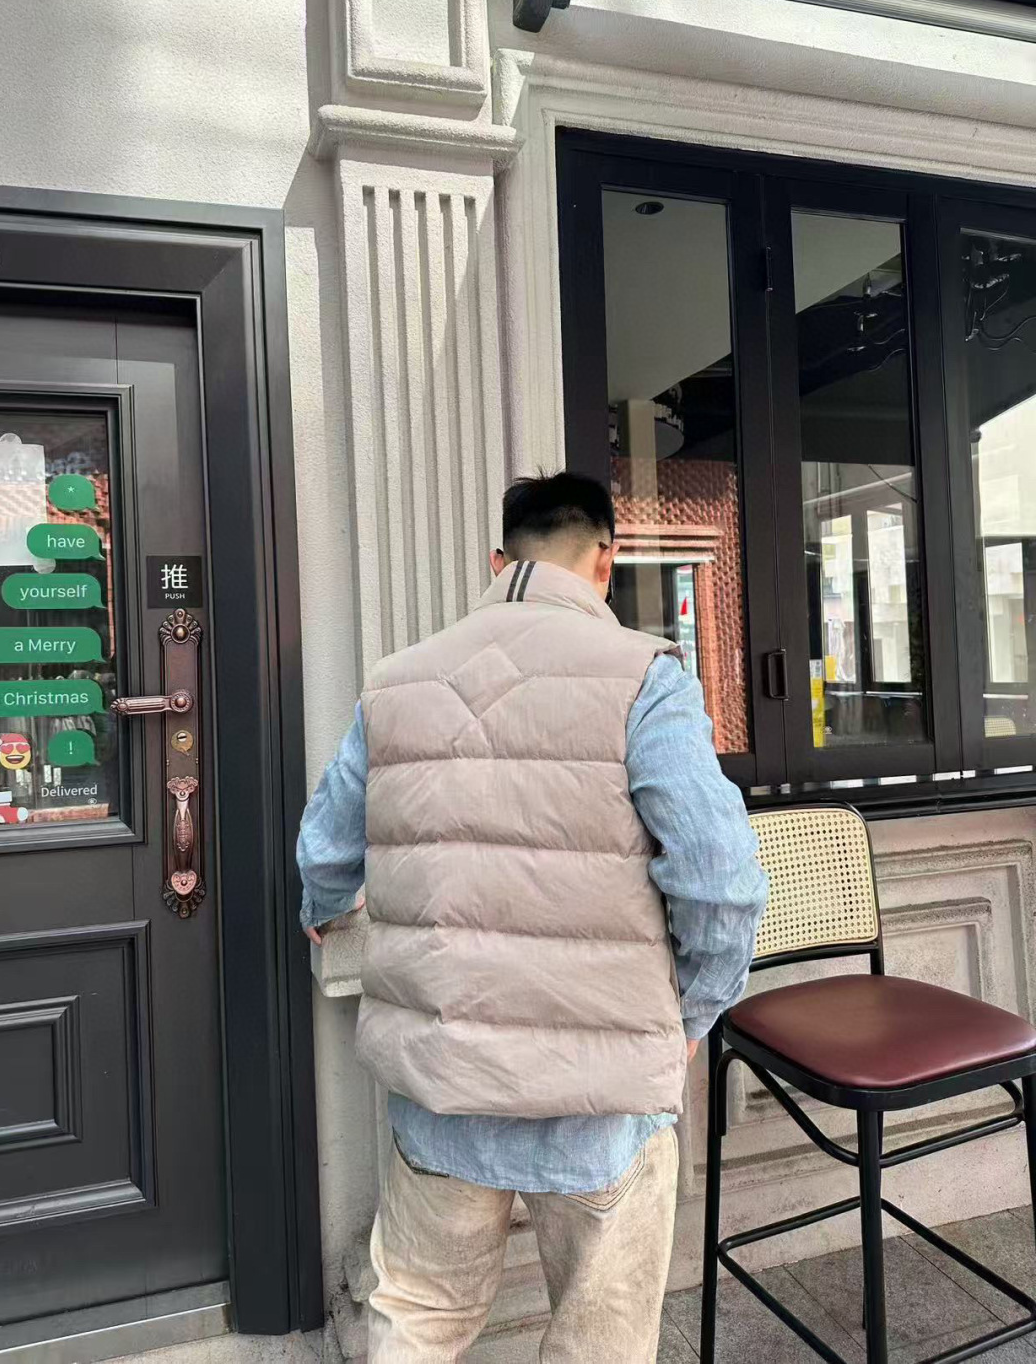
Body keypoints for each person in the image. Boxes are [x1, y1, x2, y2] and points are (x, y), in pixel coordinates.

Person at [298, 472, 768, 1363]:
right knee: (599, 1338)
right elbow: (722, 883)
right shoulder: (645, 677)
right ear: (606, 561)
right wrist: (690, 1016)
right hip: (600, 1101)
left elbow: (325, 851)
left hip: (443, 1084)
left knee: (415, 1318)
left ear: (497, 563)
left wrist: (324, 908)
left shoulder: (395, 682)